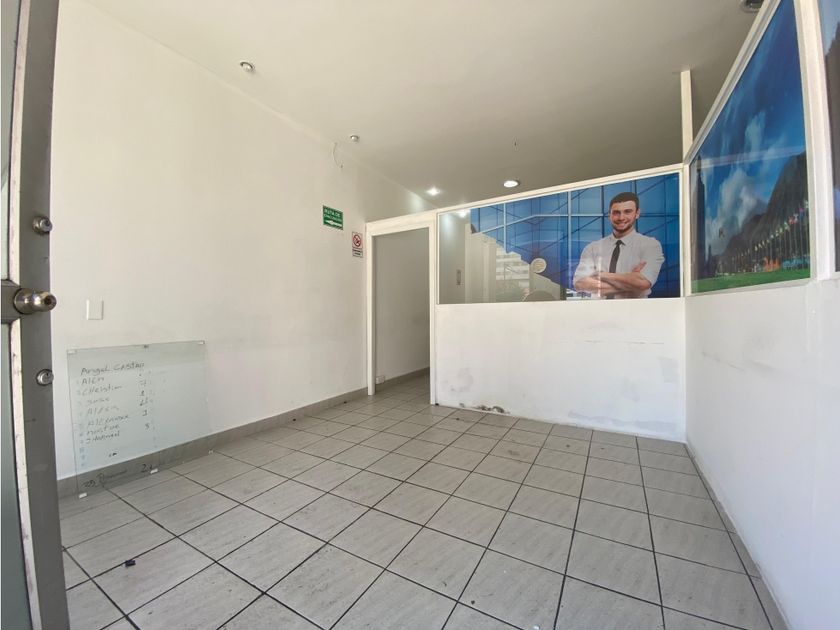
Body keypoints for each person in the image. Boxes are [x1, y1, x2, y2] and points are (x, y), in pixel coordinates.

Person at [573, 191, 664, 299]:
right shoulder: (592, 248)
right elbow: (580, 284)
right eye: (616, 212)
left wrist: (602, 275)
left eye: (627, 212)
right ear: (609, 215)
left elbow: (643, 283)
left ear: (637, 213)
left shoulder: (650, 245)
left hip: (634, 309)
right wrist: (631, 281)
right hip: (599, 309)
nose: (621, 217)